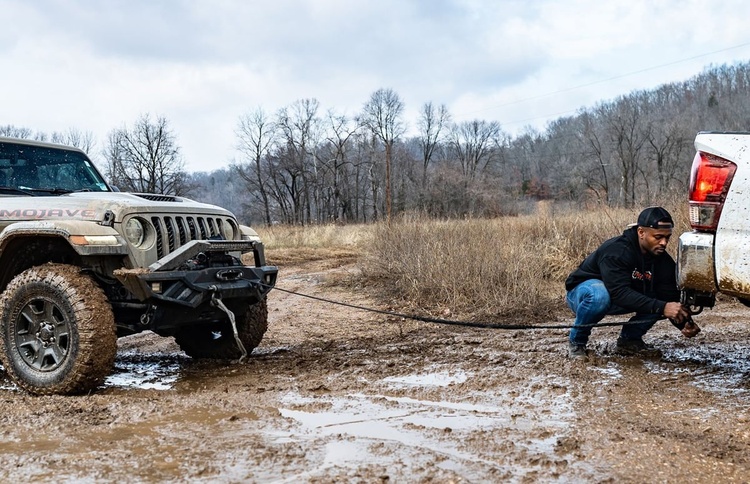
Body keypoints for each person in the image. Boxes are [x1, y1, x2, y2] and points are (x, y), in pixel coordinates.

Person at [565, 206, 699, 358]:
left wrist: (683, 322)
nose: (664, 243)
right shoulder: (616, 251)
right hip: (583, 294)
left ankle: (629, 341)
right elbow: (619, 293)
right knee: (600, 295)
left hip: (617, 297)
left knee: (659, 300)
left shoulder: (662, 260)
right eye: (658, 237)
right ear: (641, 232)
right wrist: (662, 307)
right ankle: (576, 343)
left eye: (667, 237)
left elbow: (668, 295)